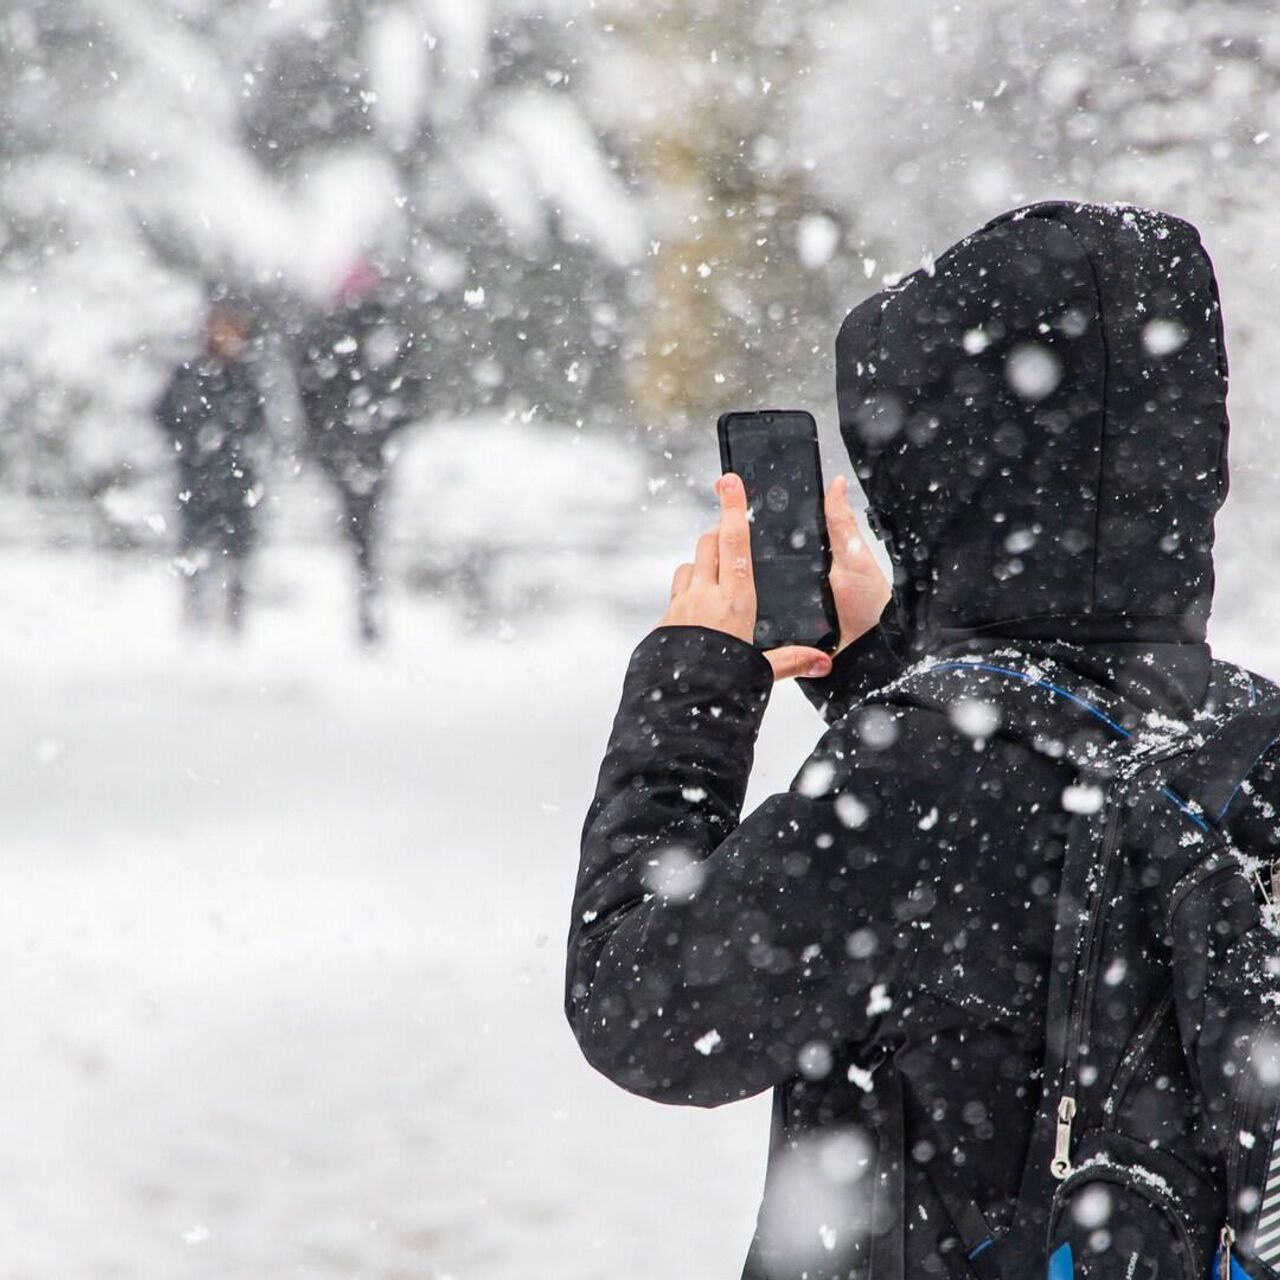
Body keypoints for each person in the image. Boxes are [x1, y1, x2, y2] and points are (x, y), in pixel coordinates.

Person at [564, 201, 1247, 1279]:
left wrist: (691, 680)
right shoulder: (1238, 733)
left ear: (940, 472)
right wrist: (886, 653)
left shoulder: (920, 778)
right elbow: (1053, 801)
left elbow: (644, 1008)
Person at [296, 261, 420, 646]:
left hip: (357, 450)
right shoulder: (380, 337)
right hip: (362, 450)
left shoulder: (351, 338)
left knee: (361, 531)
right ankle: (367, 605)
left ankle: (367, 606)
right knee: (364, 532)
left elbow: (312, 393)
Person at [155, 302, 265, 631]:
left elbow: (259, 424)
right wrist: (190, 444)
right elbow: (164, 414)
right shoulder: (189, 375)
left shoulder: (245, 379)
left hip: (235, 479)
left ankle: (233, 620)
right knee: (195, 551)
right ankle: (194, 618)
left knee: (237, 555)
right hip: (197, 478)